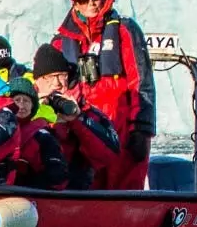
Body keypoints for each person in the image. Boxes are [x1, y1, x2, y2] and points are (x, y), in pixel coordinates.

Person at [49, 0, 155, 171]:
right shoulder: (60, 42)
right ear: (75, 4)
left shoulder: (124, 30)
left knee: (124, 190)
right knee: (86, 189)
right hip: (83, 130)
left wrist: (141, 127)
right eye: (84, 0)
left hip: (122, 128)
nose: (92, 4)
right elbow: (49, 86)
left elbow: (140, 80)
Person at [27, 42, 129, 189]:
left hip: (74, 194)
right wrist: (35, 114)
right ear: (37, 81)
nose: (56, 83)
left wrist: (78, 120)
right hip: (34, 191)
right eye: (48, 77)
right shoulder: (24, 108)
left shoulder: (85, 110)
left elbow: (109, 155)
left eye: (61, 75)